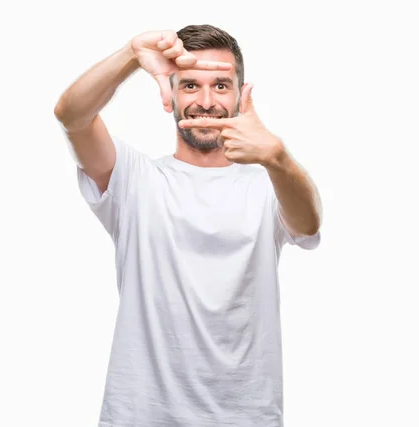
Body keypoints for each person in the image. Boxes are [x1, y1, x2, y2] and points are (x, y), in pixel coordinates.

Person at [54, 24, 322, 427]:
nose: (206, 101)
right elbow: (71, 116)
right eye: (191, 86)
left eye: (221, 86)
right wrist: (131, 54)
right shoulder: (134, 179)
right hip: (140, 415)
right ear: (172, 94)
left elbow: (309, 226)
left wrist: (278, 158)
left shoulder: (270, 184)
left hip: (246, 417)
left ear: (239, 95)